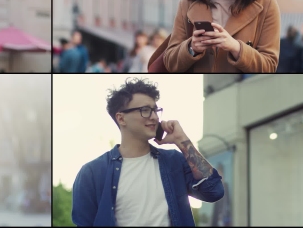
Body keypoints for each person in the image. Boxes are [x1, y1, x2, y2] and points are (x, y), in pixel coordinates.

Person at [71, 78, 224, 226]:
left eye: (155, 110)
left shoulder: (173, 161)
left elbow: (214, 192)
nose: (154, 117)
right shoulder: (93, 172)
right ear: (121, 118)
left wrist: (182, 140)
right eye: (145, 110)